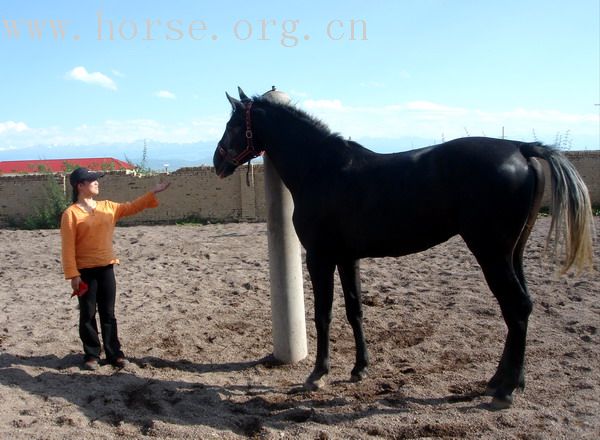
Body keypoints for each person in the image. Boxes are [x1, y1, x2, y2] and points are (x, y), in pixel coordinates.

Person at [60, 167, 170, 370]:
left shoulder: (108, 207)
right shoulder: (71, 214)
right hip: (84, 272)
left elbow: (132, 207)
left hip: (106, 268)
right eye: (92, 180)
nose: (97, 182)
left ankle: (114, 353)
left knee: (108, 313)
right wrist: (73, 275)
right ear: (80, 185)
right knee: (88, 314)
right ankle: (91, 355)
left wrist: (152, 193)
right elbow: (67, 248)